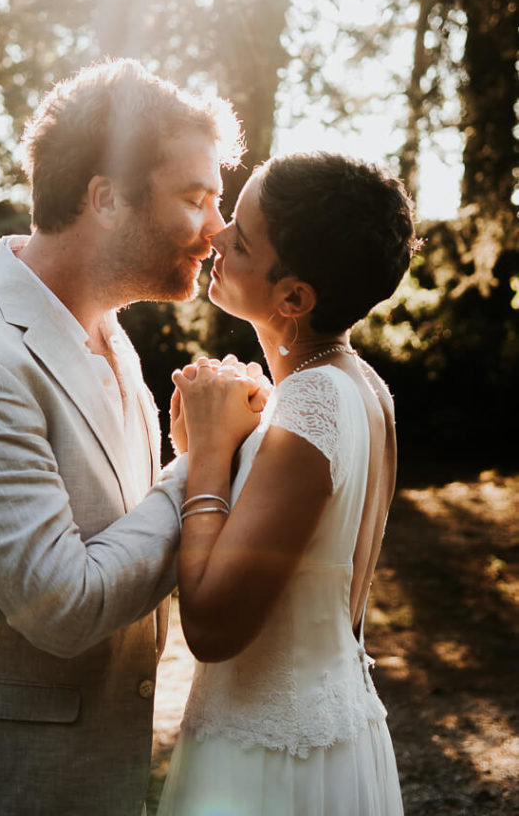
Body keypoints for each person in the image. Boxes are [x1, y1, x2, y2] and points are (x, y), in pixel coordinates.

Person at [0, 59, 251, 816]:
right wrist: (201, 464)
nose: (216, 230)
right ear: (103, 197)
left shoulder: (108, 334)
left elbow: (116, 529)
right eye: (195, 199)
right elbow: (63, 604)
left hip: (85, 772)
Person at [158, 152, 419, 816]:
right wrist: (207, 441)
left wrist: (212, 453)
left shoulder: (311, 403)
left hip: (269, 762)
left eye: (239, 240)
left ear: (293, 297)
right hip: (330, 730)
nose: (215, 236)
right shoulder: (361, 388)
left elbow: (213, 627)